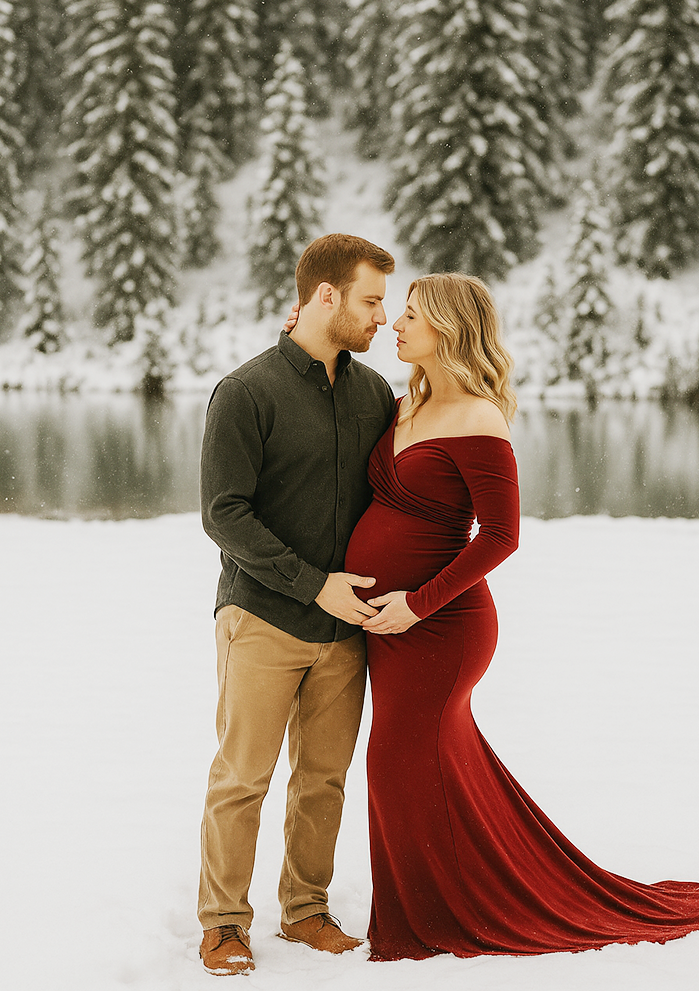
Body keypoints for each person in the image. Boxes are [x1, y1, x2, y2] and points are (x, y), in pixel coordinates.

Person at [345, 272, 699, 961]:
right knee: (424, 765)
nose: (396, 324)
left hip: (441, 627)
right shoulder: (403, 403)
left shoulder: (479, 417)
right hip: (392, 625)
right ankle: (443, 903)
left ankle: (434, 919)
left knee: (398, 762)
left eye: (411, 315)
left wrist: (416, 605)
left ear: (448, 327)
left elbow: (501, 535)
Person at [197, 234, 395, 976]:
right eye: (371, 300)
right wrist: (313, 583)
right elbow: (224, 514)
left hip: (346, 629)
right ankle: (223, 923)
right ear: (325, 296)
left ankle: (306, 910)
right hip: (261, 617)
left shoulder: (375, 395)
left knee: (324, 779)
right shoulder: (246, 392)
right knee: (241, 778)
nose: (382, 317)